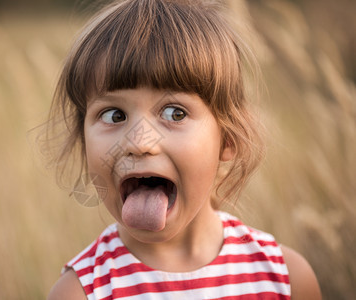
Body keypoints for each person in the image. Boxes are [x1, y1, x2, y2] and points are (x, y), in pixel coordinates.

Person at [45, 0, 322, 298]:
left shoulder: (285, 279)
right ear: (84, 141)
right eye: (115, 115)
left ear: (227, 139)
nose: (139, 143)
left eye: (174, 113)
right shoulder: (81, 292)